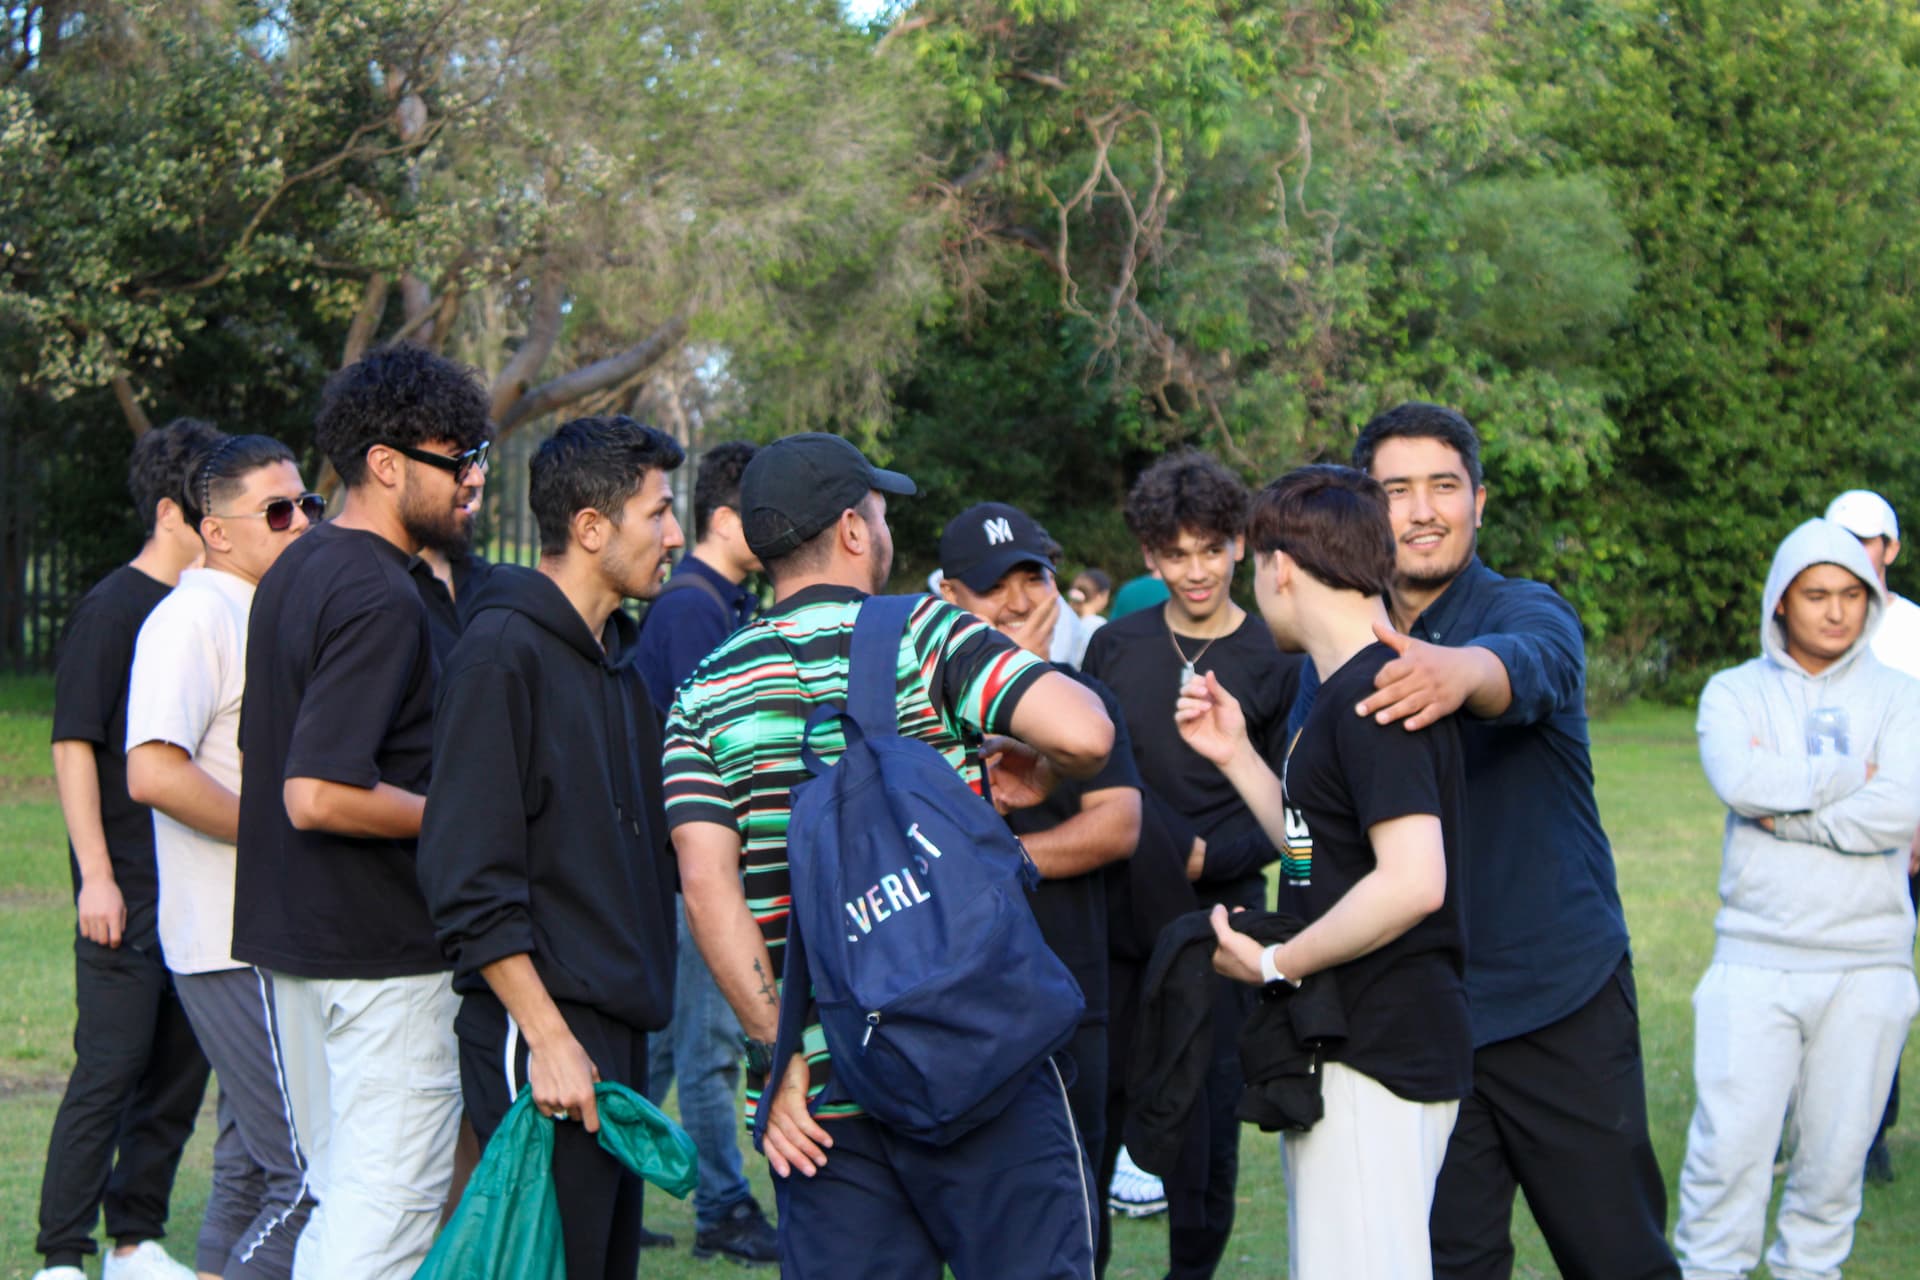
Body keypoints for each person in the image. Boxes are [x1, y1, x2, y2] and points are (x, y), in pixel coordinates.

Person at [664, 432, 1116, 1279]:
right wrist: (1043, 764)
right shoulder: (924, 631)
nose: (883, 529)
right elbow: (1087, 733)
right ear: (851, 528)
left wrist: (776, 1053)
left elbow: (705, 884)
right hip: (979, 1050)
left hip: (821, 1095)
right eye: (878, 512)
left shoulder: (703, 692)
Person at [1346, 402, 1677, 1280]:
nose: (1422, 511)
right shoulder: (1339, 647)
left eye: (1444, 486)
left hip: (1557, 1003)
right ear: (1365, 507)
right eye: (1396, 490)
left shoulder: (1527, 609)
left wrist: (1459, 672)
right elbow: (1312, 835)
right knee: (1448, 1264)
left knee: (1618, 1258)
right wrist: (1236, 757)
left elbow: (1530, 668)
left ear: (1479, 502)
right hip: (1424, 1020)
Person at [1177, 464, 1472, 1279]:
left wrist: (1276, 962)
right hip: (1345, 1043)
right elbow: (1316, 852)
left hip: (1377, 1050)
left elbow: (1413, 881)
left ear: (1280, 568)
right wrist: (1238, 755)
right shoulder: (1344, 692)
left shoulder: (1377, 694)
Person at [233, 345, 489, 1280]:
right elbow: (316, 791)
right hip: (380, 964)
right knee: (383, 1227)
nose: (473, 478)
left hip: (305, 950)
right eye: (456, 457)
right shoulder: (378, 591)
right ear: (386, 464)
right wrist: (461, 818)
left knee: (347, 1208)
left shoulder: (299, 569)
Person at [418, 415, 687, 1279]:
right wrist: (549, 1037)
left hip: (620, 1034)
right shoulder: (500, 655)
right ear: (591, 527)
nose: (675, 536)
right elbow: (467, 877)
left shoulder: (619, 667)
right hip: (543, 1034)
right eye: (659, 513)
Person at [1674, 517, 1920, 1280]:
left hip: (1870, 962)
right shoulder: (1733, 692)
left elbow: (1900, 809)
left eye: (1852, 594)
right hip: (1756, 957)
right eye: (1817, 594)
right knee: (1727, 1155)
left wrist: (1789, 814)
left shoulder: (1904, 696)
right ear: (1782, 600)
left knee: (1834, 1168)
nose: (1836, 611)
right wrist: (1853, 777)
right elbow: (1740, 781)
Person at [1080, 450, 1300, 1280]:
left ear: (1240, 543)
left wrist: (1218, 854)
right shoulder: (1113, 646)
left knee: (1205, 1120)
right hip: (1118, 912)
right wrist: (1164, 846)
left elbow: (1299, 817)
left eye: (1212, 549)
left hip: (1224, 922)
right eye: (1176, 554)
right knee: (1100, 1105)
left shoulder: (1279, 655)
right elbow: (1090, 776)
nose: (1197, 570)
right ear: (1149, 555)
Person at [124, 435, 321, 1279]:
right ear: (216, 531)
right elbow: (152, 770)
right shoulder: (193, 617)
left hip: (266, 936)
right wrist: (278, 834)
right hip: (229, 942)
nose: (300, 522)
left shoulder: (260, 612)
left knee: (246, 1172)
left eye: (308, 505)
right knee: (307, 1179)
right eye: (277, 511)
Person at [35, 417, 224, 1280]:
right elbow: (74, 744)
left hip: (195, 888)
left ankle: (135, 1242)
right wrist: (97, 879)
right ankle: (61, 1256)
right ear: (170, 513)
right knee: (109, 1069)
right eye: (206, 506)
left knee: (180, 1072)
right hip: (126, 890)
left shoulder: (208, 611)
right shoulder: (113, 610)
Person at [938, 501, 1143, 1182]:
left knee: (1076, 1189)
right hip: (955, 1000)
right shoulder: (922, 711)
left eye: (1033, 579)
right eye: (993, 586)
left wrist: (1003, 863)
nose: (1019, 602)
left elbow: (1118, 823)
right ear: (950, 597)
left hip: (1070, 986)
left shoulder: (1082, 699)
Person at [632, 439, 779, 1265]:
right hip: (697, 868)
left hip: (691, 866)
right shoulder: (693, 608)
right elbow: (719, 748)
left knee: (664, 1047)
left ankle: (607, 1187)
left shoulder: (725, 601)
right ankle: (724, 1207)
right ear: (727, 518)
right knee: (711, 1045)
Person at [1823, 488, 1920, 1184]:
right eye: (1842, 537)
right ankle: (1841, 1127)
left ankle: (1870, 1132)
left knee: (1886, 985)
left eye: (1866, 540)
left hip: (1907, 831)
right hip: (1839, 831)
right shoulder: (1814, 620)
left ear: (1890, 548)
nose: (1855, 551)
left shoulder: (1910, 629)